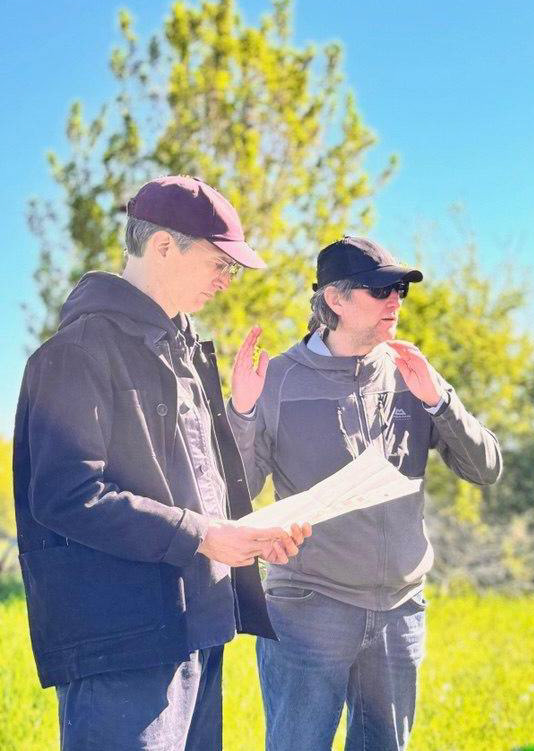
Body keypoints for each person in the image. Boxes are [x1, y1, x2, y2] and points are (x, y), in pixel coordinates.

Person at [13, 175, 311, 751]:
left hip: (199, 627)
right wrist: (203, 536)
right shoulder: (75, 353)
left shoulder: (184, 354)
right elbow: (66, 496)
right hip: (124, 644)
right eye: (219, 263)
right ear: (163, 246)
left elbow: (200, 491)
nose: (228, 280)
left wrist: (244, 537)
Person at [228, 235, 503, 751]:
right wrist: (241, 413)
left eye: (400, 289)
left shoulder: (413, 372)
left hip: (400, 611)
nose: (395, 300)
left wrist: (439, 402)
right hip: (308, 609)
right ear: (335, 299)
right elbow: (234, 495)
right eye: (381, 290)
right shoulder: (278, 379)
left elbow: (485, 469)